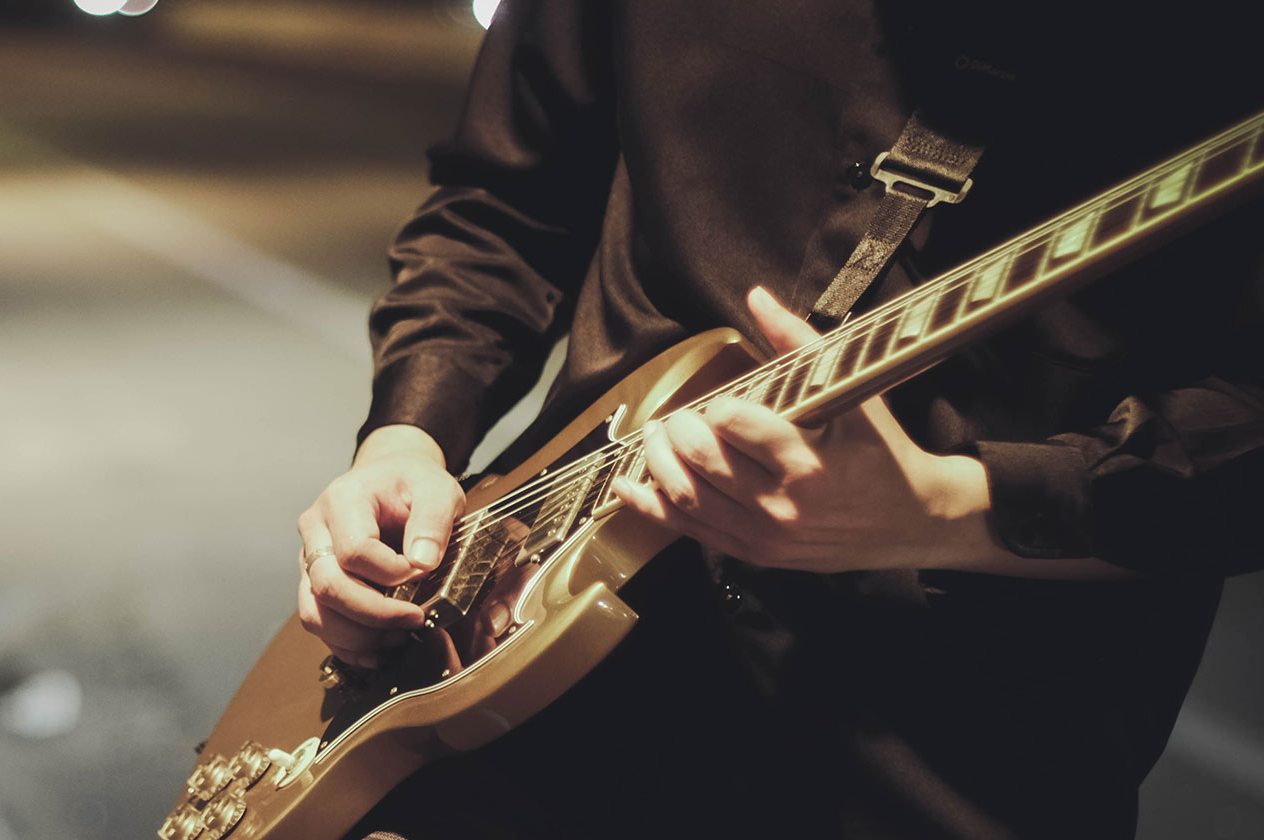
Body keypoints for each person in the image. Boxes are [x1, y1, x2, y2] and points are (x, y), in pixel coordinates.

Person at [292, 1, 1264, 837]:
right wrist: (408, 433)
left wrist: (953, 506)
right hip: (512, 689)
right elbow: (502, 200)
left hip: (953, 756)